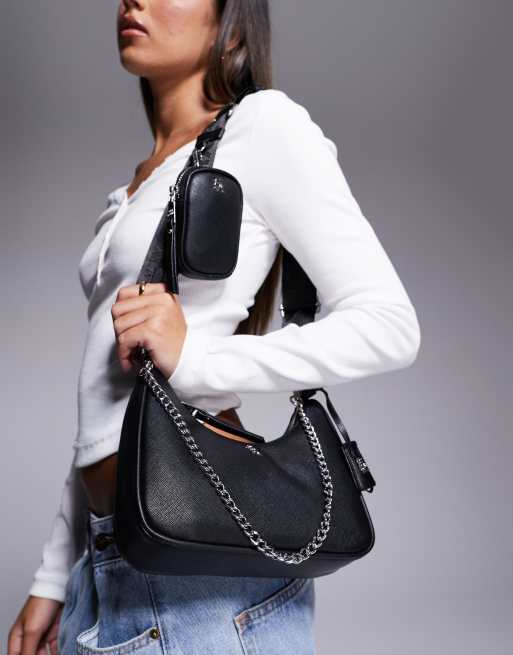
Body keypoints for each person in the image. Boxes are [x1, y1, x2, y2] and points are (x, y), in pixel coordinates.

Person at [8, 1, 421, 654]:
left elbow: (390, 325)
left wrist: (197, 359)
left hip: (200, 581)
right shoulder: (136, 187)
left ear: (231, 26)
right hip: (108, 561)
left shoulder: (263, 127)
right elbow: (106, 406)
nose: (133, 0)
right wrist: (54, 578)